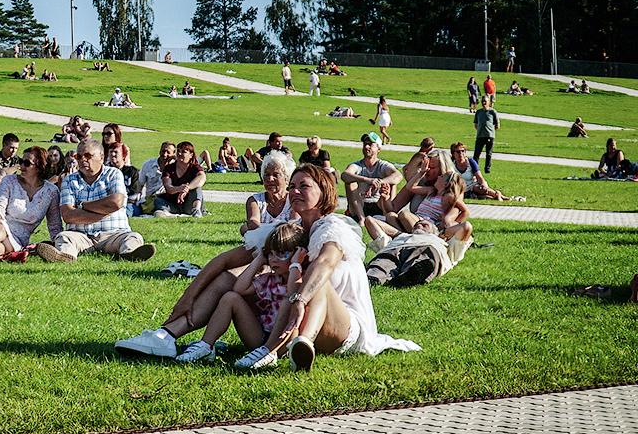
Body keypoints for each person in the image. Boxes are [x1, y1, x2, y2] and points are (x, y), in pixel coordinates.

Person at [114, 165, 419, 366]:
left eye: (304, 186)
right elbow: (225, 260)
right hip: (290, 312)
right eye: (294, 186)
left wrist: (299, 299)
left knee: (313, 280)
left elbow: (325, 263)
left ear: (324, 192)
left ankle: (298, 346)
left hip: (341, 326)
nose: (295, 191)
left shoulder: (333, 228)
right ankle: (169, 335)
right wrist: (187, 297)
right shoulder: (290, 228)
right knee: (227, 280)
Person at [174, 223, 309, 365]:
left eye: (282, 254)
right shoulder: (270, 279)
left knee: (289, 301)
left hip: (284, 342)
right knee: (230, 298)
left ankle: (269, 353)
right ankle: (206, 346)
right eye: (270, 253)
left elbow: (293, 292)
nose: (273, 259)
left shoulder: (303, 280)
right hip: (259, 337)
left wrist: (295, 265)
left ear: (298, 254)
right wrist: (258, 260)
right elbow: (239, 289)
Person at [34, 139, 156, 263]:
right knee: (64, 237)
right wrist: (104, 211)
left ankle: (129, 254)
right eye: (79, 156)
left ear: (101, 157)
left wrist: (82, 205)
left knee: (133, 237)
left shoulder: (114, 174)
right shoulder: (69, 180)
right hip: (81, 236)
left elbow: (116, 202)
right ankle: (64, 256)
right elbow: (68, 215)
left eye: (87, 156)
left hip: (113, 234)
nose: (82, 160)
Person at [0, 146, 63, 261]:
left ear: (39, 167)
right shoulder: (9, 181)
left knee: (0, 247)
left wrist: (59, 246)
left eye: (27, 163)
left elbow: (54, 224)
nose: (21, 166)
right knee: (0, 227)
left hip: (19, 237)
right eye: (21, 161)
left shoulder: (51, 192)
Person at [362, 217, 472, 288]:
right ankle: (372, 278)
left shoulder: (443, 243)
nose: (418, 226)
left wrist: (442, 234)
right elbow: (370, 220)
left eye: (425, 225)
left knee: (424, 255)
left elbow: (466, 227)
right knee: (384, 260)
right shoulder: (400, 237)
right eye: (416, 225)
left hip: (427, 249)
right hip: (395, 249)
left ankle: (410, 275)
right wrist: (398, 233)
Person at [240, 151, 298, 247]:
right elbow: (253, 223)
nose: (270, 179)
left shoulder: (294, 199)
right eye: (266, 175)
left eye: (276, 175)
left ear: (286, 178)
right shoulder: (254, 200)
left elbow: (293, 227)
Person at [341, 132, 401, 223]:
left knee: (391, 182)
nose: (366, 147)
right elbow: (344, 175)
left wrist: (379, 182)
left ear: (378, 148)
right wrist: (368, 180)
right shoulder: (357, 165)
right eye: (365, 144)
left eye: (370, 144)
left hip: (379, 204)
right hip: (359, 204)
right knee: (350, 182)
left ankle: (389, 215)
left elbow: (398, 176)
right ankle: (361, 219)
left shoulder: (383, 165)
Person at [154, 141, 206, 217]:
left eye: (183, 152)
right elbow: (168, 188)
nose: (179, 154)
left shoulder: (194, 167)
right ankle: (168, 214)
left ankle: (196, 210)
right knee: (157, 200)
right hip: (173, 203)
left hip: (189, 203)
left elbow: (202, 177)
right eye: (178, 151)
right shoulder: (169, 168)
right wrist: (179, 188)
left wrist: (187, 188)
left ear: (191, 155)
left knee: (197, 189)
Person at [133, 141, 177, 215]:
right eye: (163, 151)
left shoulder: (176, 167)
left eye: (168, 152)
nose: (165, 154)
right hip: (150, 199)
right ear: (159, 151)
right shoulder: (148, 164)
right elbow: (140, 184)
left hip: (167, 199)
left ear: (173, 154)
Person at [472, 96, 500, 173]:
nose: (484, 103)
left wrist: (490, 131)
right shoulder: (478, 112)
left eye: (485, 101)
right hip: (480, 135)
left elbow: (497, 125)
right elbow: (476, 124)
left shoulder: (492, 112)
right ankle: (475, 169)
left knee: (488, 154)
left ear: (489, 102)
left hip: (489, 136)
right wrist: (480, 130)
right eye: (483, 101)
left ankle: (487, 168)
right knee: (476, 153)